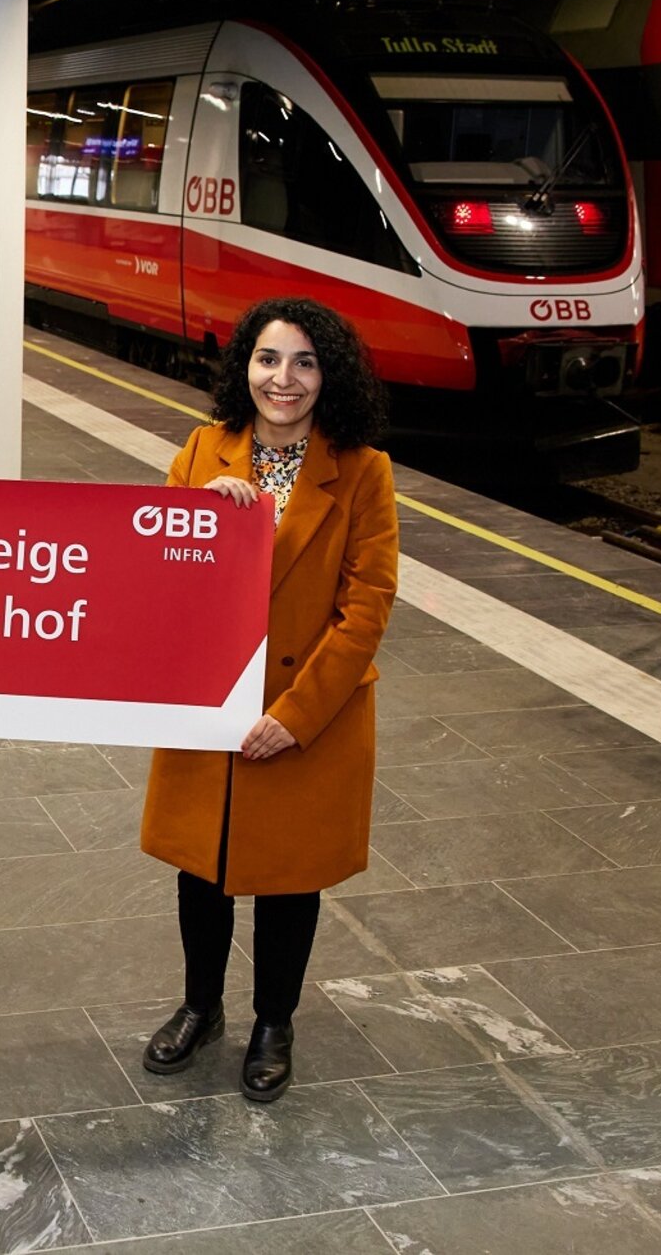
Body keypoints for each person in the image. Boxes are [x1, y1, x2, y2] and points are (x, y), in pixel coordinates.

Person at [139, 296, 398, 1102]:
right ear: (243, 366)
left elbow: (368, 606)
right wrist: (199, 518)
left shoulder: (362, 471)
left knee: (289, 880)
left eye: (305, 363)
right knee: (202, 871)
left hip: (303, 712)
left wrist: (296, 717)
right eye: (268, 360)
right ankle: (201, 1006)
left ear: (331, 376)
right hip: (212, 704)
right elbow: (153, 567)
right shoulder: (201, 449)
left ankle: (273, 1022)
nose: (283, 380)